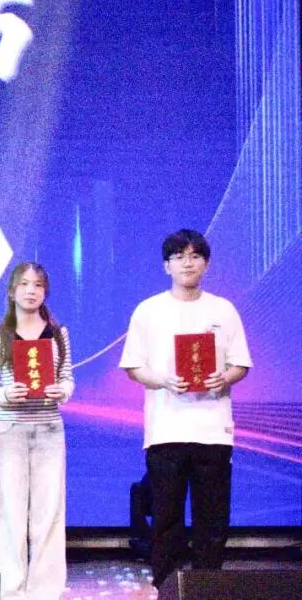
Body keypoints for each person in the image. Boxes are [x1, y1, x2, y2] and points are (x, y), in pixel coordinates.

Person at [119, 229, 251, 588]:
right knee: (166, 518)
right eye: (178, 257)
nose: (187, 263)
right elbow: (133, 367)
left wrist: (224, 377)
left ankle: (208, 587)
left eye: (195, 256)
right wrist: (163, 380)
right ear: (167, 266)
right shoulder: (148, 310)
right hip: (166, 429)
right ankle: (166, 587)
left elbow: (241, 363)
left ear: (206, 264)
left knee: (212, 518)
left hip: (213, 430)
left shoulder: (223, 309)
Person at [0, 262, 74, 600]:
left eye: (38, 285)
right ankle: (12, 590)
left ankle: (45, 591)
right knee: (9, 514)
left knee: (48, 513)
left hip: (48, 427)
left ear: (45, 292)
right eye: (24, 284)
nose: (31, 291)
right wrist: (5, 394)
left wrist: (62, 391)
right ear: (11, 291)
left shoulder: (58, 334)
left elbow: (67, 378)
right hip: (10, 429)